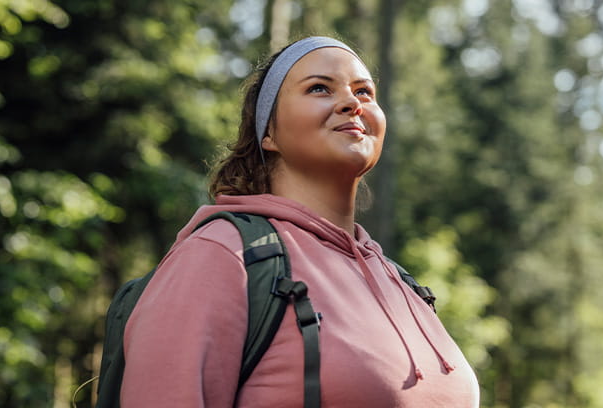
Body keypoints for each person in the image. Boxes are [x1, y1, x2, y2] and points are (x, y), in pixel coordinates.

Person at [120, 36, 480, 407]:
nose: (351, 103)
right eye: (319, 88)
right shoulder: (223, 255)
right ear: (268, 133)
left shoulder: (401, 282)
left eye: (364, 92)